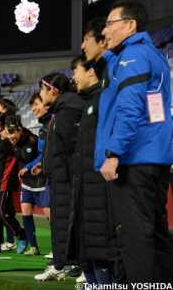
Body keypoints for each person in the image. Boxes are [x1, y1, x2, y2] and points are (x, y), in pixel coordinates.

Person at [96, 0, 173, 283]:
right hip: (155, 157)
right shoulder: (152, 55)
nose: (105, 30)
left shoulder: (134, 57)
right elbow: (153, 109)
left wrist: (114, 152)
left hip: (134, 159)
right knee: (155, 233)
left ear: (130, 25)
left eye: (110, 23)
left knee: (134, 236)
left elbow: (130, 108)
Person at [71, 17, 114, 284]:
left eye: (76, 70)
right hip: (86, 186)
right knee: (90, 251)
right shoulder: (89, 103)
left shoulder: (103, 96)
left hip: (100, 186)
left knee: (103, 252)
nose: (73, 76)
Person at [34, 70, 85, 281]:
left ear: (53, 90)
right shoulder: (61, 111)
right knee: (61, 223)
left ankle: (79, 267)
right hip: (59, 177)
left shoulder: (68, 111)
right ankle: (61, 264)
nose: (40, 95)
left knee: (71, 223)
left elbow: (73, 150)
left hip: (68, 178)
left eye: (42, 90)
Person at [0, 111, 27, 254]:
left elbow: (19, 150)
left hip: (3, 182)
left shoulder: (6, 138)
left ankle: (22, 236)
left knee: (3, 214)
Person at [4, 116, 45, 257]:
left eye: (12, 133)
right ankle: (34, 247)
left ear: (19, 130)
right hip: (26, 183)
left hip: (41, 181)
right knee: (26, 213)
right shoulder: (11, 142)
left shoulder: (33, 140)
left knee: (50, 216)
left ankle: (57, 249)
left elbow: (42, 155)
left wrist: (29, 167)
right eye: (8, 134)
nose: (10, 137)